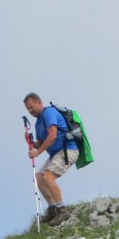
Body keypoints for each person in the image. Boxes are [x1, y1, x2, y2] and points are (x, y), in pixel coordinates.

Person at [24, 92, 78, 227]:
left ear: (39, 102)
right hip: (55, 154)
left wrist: (37, 153)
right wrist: (32, 143)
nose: (30, 111)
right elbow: (42, 142)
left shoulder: (49, 113)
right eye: (28, 109)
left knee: (48, 177)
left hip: (67, 150)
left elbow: (52, 136)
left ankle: (62, 210)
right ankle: (52, 208)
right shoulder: (38, 123)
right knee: (39, 177)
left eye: (31, 107)